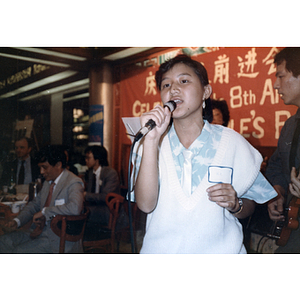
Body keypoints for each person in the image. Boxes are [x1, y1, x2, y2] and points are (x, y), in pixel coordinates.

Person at [132, 54, 277, 254]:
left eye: (184, 81)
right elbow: (146, 205)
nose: (173, 89)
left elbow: (250, 205)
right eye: (166, 85)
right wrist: (150, 140)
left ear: (205, 92)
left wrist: (236, 204)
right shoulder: (151, 141)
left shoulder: (232, 142)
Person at [0, 145, 84, 253]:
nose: (41, 172)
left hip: (59, 239)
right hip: (40, 232)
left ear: (58, 165)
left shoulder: (73, 182)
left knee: (19, 252)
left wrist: (44, 211)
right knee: (3, 241)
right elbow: (34, 204)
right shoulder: (48, 182)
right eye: (40, 167)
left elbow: (75, 208)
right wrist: (17, 221)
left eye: (44, 167)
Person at [265, 47, 300, 253]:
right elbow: (276, 165)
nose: (276, 85)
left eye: (281, 76)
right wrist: (277, 191)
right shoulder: (290, 126)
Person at [84, 145, 120, 224]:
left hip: (107, 209)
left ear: (97, 159)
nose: (86, 160)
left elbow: (105, 196)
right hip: (94, 207)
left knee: (84, 212)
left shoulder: (110, 173)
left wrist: (86, 195)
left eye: (88, 158)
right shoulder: (90, 173)